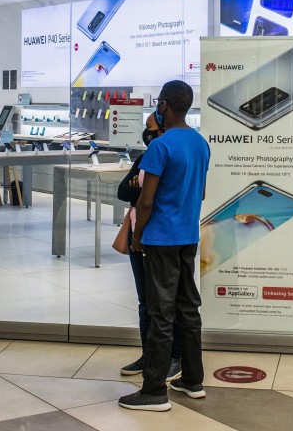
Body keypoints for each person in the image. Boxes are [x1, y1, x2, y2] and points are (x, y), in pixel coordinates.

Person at [118, 80, 210, 412]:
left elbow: (145, 202)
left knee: (160, 313)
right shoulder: (200, 144)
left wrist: (138, 235)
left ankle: (154, 390)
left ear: (166, 105)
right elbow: (199, 193)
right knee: (188, 308)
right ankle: (192, 380)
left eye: (159, 102)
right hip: (187, 237)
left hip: (160, 239)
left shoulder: (160, 147)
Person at [116, 111, 184, 383]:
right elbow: (124, 191)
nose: (147, 133)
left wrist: (143, 190)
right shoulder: (144, 158)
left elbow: (161, 194)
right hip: (138, 233)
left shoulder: (171, 154)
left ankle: (173, 356)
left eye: (150, 127)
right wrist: (142, 190)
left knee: (168, 301)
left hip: (160, 235)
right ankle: (149, 354)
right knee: (145, 300)